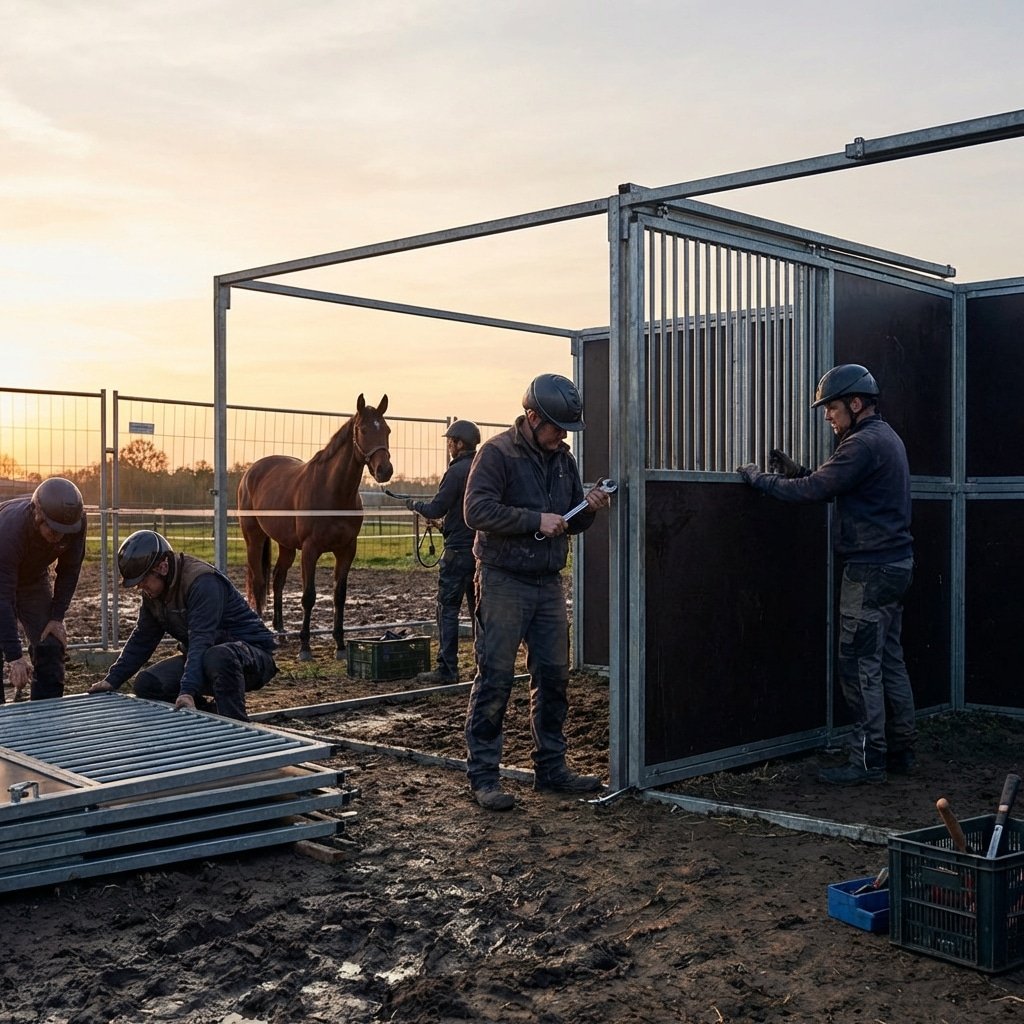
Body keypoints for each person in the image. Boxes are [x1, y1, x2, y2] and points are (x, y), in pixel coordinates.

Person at [736, 363, 916, 786]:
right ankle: (902, 750)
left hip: (869, 571)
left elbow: (815, 492)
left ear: (856, 404)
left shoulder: (862, 444)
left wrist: (758, 479)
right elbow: (832, 484)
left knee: (859, 665)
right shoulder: (884, 438)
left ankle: (868, 761)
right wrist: (797, 470)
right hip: (896, 565)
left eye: (832, 407)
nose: (827, 416)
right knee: (888, 659)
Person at [462, 373, 612, 810]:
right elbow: (476, 510)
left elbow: (568, 518)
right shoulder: (496, 453)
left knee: (553, 677)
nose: (563, 435)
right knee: (495, 677)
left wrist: (589, 505)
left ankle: (551, 767)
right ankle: (484, 777)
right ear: (532, 417)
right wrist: (535, 520)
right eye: (556, 427)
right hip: (503, 579)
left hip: (547, 582)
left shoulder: (562, 460)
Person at [87, 530, 278, 721]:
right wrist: (112, 680)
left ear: (162, 567)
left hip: (250, 658)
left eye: (143, 580)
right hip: (206, 657)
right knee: (147, 684)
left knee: (218, 656)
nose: (140, 587)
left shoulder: (202, 582)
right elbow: (142, 639)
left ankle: (235, 723)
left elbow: (201, 640)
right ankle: (207, 716)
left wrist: (187, 690)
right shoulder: (154, 594)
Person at [405, 419, 481, 684]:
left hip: (458, 553)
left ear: (459, 443)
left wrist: (414, 504)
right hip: (480, 552)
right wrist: (444, 525)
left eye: (451, 441)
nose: (449, 445)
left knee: (447, 609)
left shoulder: (456, 471)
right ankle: (482, 666)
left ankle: (447, 668)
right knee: (478, 611)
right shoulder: (482, 468)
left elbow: (437, 507)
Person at [0, 477, 87, 702]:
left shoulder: (75, 523)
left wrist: (57, 617)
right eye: (54, 529)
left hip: (32, 579)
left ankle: (47, 717)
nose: (59, 537)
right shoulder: (11, 529)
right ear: (38, 515)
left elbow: (70, 570)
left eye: (65, 531)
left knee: (50, 642)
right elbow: (3, 597)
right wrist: (15, 656)